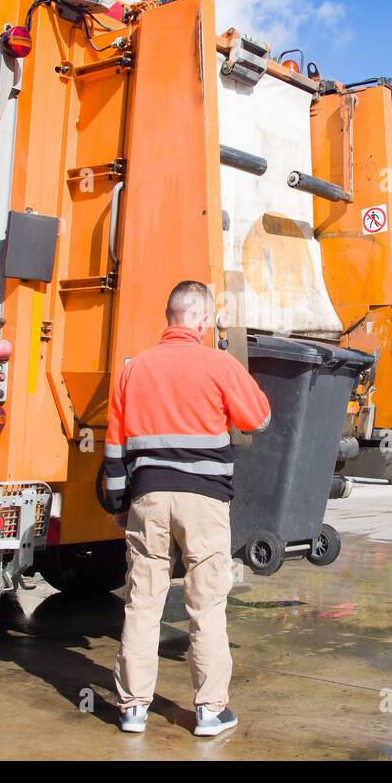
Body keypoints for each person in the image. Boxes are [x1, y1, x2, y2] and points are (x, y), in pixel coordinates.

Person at [103, 280, 271, 736]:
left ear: (170, 317)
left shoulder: (133, 369)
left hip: (148, 498)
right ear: (202, 319)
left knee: (142, 602)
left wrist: (119, 504)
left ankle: (133, 708)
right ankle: (209, 712)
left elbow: (114, 446)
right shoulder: (218, 364)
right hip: (203, 502)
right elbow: (258, 417)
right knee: (206, 603)